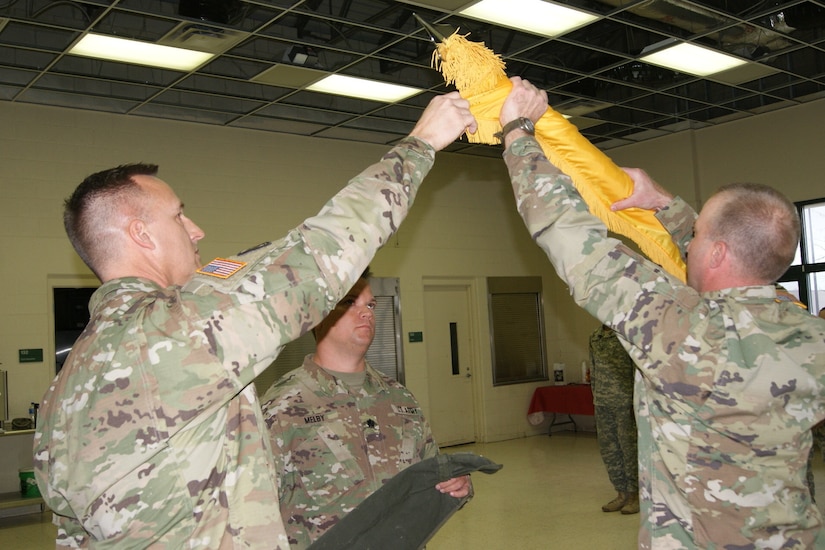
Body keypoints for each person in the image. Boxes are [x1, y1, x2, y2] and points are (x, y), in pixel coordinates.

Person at [32, 93, 477, 549]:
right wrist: (422, 143)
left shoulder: (63, 389)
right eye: (179, 214)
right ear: (141, 234)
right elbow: (322, 252)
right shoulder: (173, 329)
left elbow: (72, 533)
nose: (196, 229)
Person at [497, 76, 825, 548]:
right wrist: (663, 204)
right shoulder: (810, 335)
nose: (687, 248)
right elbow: (735, 247)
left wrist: (518, 133)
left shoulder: (678, 325)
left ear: (713, 253)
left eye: (698, 239)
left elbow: (565, 230)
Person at [260, 269, 471, 549]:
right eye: (350, 303)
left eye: (370, 305)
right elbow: (254, 516)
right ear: (316, 316)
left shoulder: (398, 398)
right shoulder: (283, 407)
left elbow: (431, 477)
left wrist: (456, 485)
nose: (367, 313)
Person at [589, 324, 638, 515]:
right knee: (609, 449)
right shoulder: (595, 336)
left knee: (629, 448)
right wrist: (595, 394)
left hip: (625, 400)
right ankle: (621, 493)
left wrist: (636, 401)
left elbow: (636, 369)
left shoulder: (626, 334)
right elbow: (593, 367)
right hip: (602, 401)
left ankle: (635, 495)